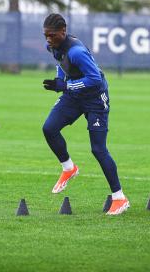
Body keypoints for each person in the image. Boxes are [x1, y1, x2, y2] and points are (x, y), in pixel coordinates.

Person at [41, 13, 129, 215]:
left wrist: (66, 85)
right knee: (49, 128)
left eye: (52, 35)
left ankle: (119, 198)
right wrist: (59, 82)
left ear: (63, 32)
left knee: (98, 150)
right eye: (45, 35)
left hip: (95, 99)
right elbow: (61, 64)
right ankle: (69, 168)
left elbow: (95, 79)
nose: (48, 39)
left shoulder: (77, 52)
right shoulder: (53, 46)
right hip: (74, 96)